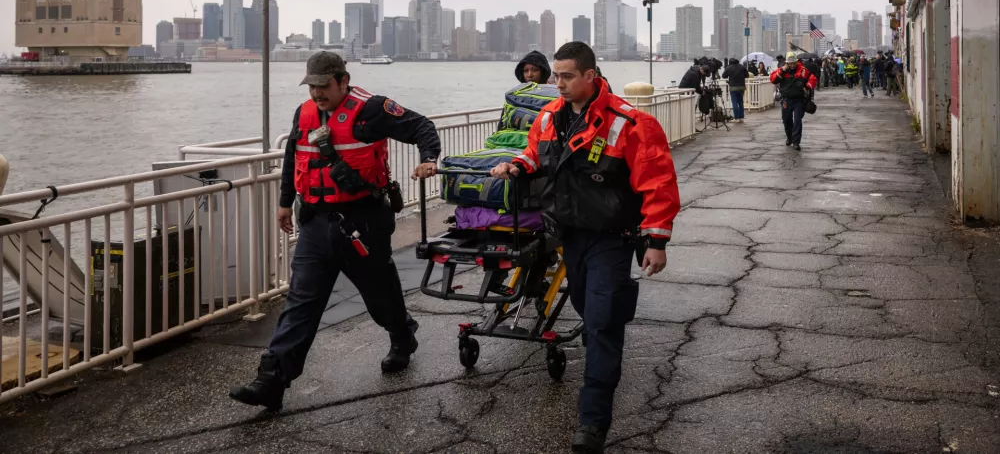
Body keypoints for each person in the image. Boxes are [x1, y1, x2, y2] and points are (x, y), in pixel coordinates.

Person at [491, 42, 680, 454]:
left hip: (612, 238)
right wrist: (517, 166)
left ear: (590, 76)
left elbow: (658, 183)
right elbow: (534, 155)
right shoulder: (548, 117)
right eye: (556, 75)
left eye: (567, 76)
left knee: (601, 322)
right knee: (587, 310)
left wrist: (657, 241)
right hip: (570, 237)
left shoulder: (630, 123)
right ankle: (602, 349)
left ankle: (592, 422)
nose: (558, 83)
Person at [230, 52, 442, 412]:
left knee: (380, 294)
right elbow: (293, 156)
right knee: (301, 302)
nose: (317, 93)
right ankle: (272, 380)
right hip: (316, 222)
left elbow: (422, 126)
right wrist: (284, 202)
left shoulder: (372, 109)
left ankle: (402, 335)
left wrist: (428, 159)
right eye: (311, 86)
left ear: (343, 81)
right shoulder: (304, 113)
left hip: (363, 223)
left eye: (323, 86)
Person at [769, 52, 817, 151]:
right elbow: (773, 79)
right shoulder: (782, 71)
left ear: (796, 62)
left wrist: (807, 86)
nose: (792, 65)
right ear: (787, 63)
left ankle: (796, 142)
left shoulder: (803, 70)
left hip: (799, 100)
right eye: (790, 63)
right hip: (786, 100)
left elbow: (813, 78)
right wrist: (782, 70)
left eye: (793, 63)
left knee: (797, 121)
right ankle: (789, 137)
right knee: (786, 120)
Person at [722, 57, 749, 123]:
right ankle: (741, 117)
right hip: (741, 87)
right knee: (740, 102)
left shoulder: (729, 67)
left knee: (734, 103)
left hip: (733, 88)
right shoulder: (742, 66)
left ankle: (736, 118)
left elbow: (723, 76)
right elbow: (747, 75)